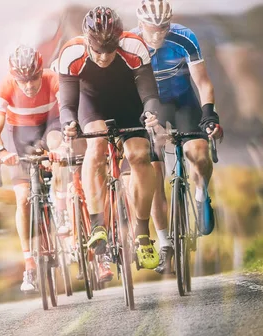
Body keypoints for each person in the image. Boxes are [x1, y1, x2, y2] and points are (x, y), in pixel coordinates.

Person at [51, 6, 161, 272]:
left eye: (109, 49)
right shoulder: (71, 52)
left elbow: (148, 93)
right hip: (92, 103)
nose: (102, 56)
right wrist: (69, 124)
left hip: (127, 104)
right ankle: (98, 223)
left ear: (119, 40)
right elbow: (67, 104)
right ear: (87, 40)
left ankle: (143, 233)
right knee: (97, 145)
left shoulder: (134, 47)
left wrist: (150, 112)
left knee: (138, 155)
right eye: (97, 49)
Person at [131, 0, 224, 274]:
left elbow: (203, 82)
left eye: (163, 27)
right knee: (153, 174)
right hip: (150, 107)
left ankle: (200, 192)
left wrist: (209, 113)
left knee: (198, 152)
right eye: (152, 27)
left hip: (183, 101)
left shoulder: (185, 37)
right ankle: (164, 242)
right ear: (141, 24)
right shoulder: (130, 43)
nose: (158, 33)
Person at [0, 45, 63, 292]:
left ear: (41, 71)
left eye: (33, 78)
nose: (29, 85)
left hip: (50, 127)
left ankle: (64, 217)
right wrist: (2, 152)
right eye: (23, 80)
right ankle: (29, 265)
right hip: (20, 136)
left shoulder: (53, 78)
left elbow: (67, 110)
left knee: (60, 156)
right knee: (22, 200)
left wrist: (63, 148)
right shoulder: (5, 87)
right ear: (14, 77)